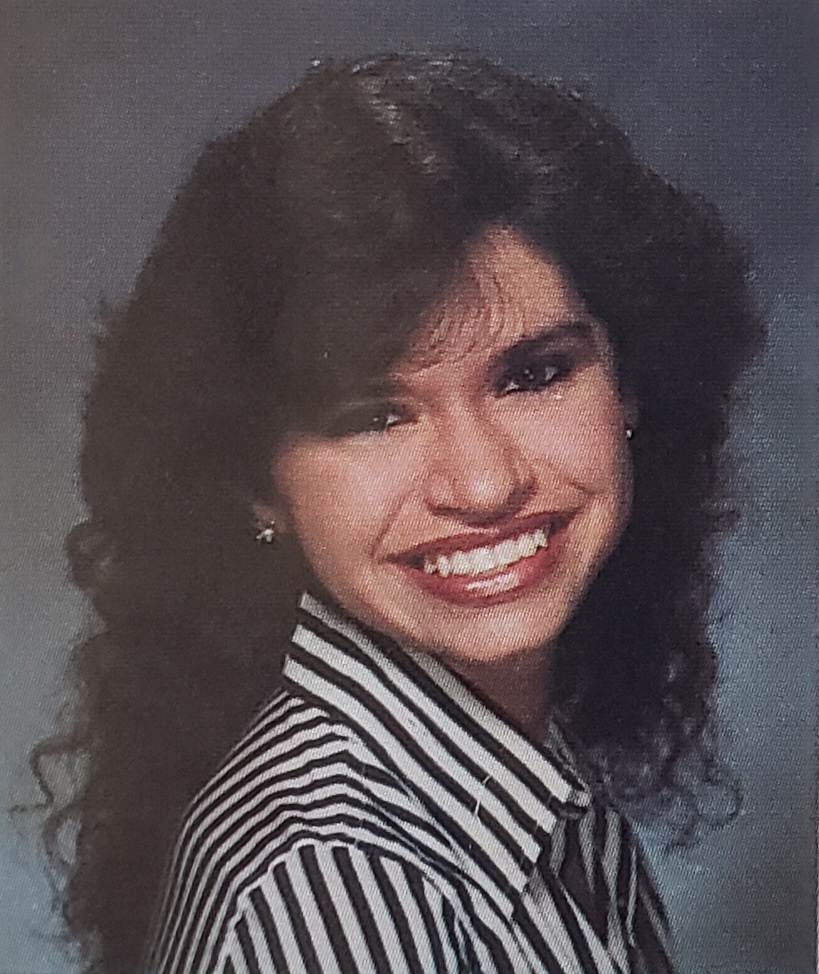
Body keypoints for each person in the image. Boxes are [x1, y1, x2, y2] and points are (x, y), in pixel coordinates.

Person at [38, 52, 762, 973]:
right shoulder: (335, 882)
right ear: (257, 481)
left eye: (533, 374)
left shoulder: (529, 796)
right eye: (373, 417)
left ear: (631, 384)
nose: (483, 485)